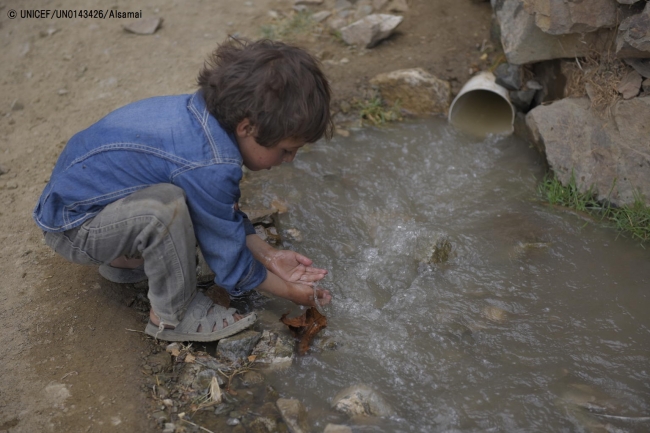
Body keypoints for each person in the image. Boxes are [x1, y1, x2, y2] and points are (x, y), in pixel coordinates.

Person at [33, 38, 333, 342]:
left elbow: (219, 213)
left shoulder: (202, 116)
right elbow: (230, 265)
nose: (290, 159)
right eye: (286, 150)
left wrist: (269, 256)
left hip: (83, 206)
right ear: (247, 128)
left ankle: (125, 262)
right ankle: (173, 315)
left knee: (179, 197)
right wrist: (292, 292)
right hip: (73, 229)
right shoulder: (211, 163)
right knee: (165, 210)